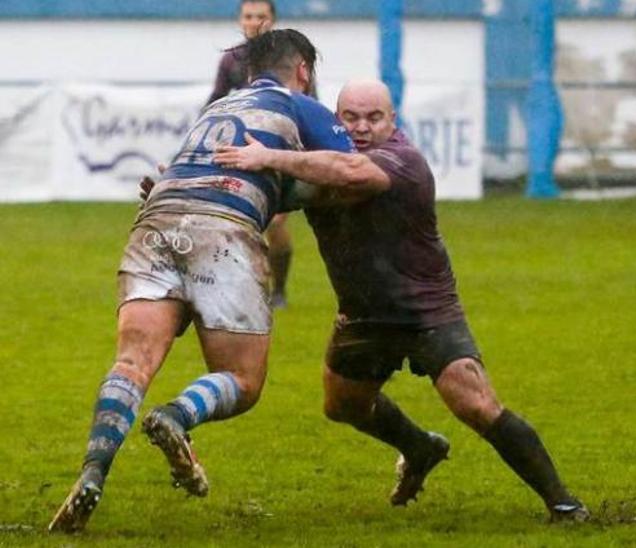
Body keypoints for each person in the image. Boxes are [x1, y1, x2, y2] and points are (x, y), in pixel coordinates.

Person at [211, 80, 589, 522]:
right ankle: (420, 446)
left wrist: (270, 156)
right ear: (337, 120)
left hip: (424, 310)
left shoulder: (402, 160)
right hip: (362, 316)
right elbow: (255, 196)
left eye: (374, 118)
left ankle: (564, 503)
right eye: (350, 118)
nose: (362, 127)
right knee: (342, 407)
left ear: (394, 120)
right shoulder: (319, 165)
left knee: (476, 405)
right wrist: (175, 191)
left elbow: (351, 173)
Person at [47, 29, 371, 533]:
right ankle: (176, 415)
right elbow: (353, 170)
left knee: (132, 362)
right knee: (242, 379)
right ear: (303, 69)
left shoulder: (215, 110)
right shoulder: (298, 104)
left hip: (157, 219)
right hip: (222, 232)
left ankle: (92, 472)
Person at [208, 0, 295, 309]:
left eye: (261, 16)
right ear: (239, 20)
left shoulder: (290, 58)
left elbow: (306, 103)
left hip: (278, 150)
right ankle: (243, 288)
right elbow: (216, 100)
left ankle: (279, 289)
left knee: (276, 223)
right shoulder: (232, 60)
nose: (255, 22)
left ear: (273, 21)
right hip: (240, 151)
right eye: (248, 16)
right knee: (235, 222)